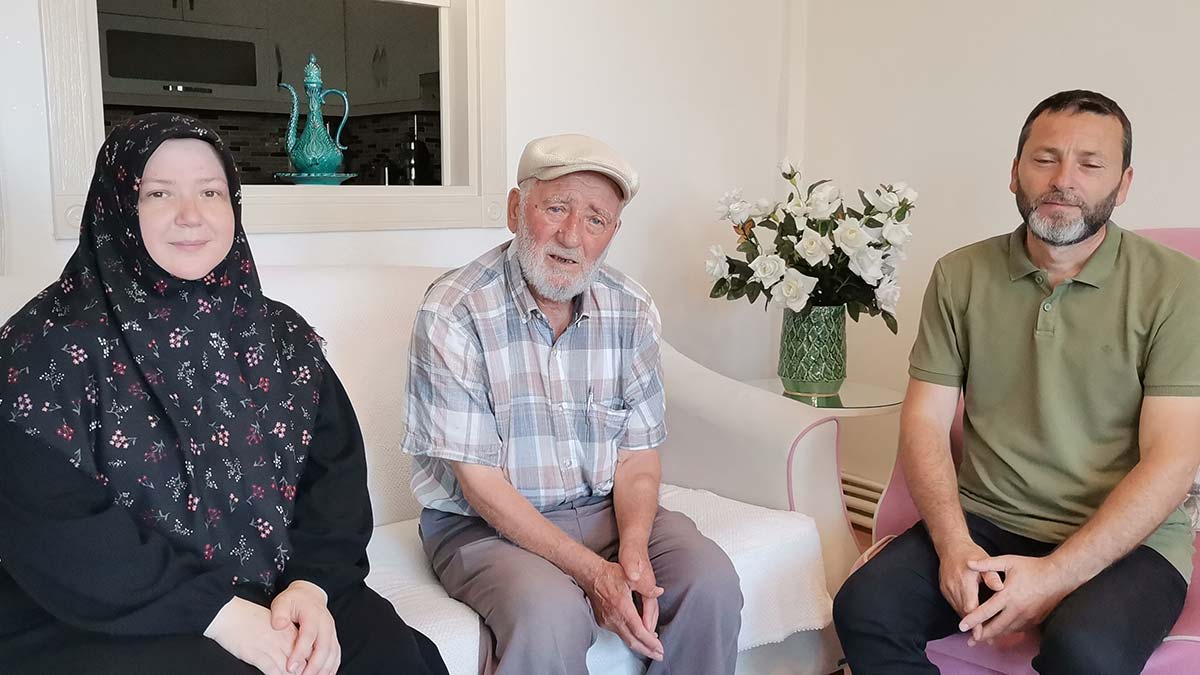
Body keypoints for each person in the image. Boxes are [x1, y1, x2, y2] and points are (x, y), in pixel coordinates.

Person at [0, 113, 448, 675]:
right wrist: (217, 614)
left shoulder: (279, 335)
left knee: (390, 654)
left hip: (276, 583)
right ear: (116, 205)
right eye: (158, 193)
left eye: (210, 192)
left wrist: (311, 587)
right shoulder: (45, 347)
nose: (191, 215)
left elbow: (332, 481)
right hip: (107, 610)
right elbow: (54, 528)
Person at [833, 89, 1200, 674]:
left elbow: (1171, 461)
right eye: (1045, 158)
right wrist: (953, 544)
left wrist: (1054, 577)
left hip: (1130, 540)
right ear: (1015, 172)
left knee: (1087, 653)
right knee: (866, 609)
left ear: (1123, 184)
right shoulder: (960, 274)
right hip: (987, 517)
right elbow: (924, 420)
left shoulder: (1178, 287)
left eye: (1090, 164)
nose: (1063, 180)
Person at [402, 133, 743, 674]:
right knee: (550, 613)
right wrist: (593, 573)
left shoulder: (631, 308)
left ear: (613, 233)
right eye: (556, 208)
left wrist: (633, 548)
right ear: (516, 210)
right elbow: (480, 484)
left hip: (606, 510)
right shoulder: (454, 310)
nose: (571, 236)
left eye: (595, 220)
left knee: (711, 581)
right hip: (483, 526)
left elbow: (637, 459)